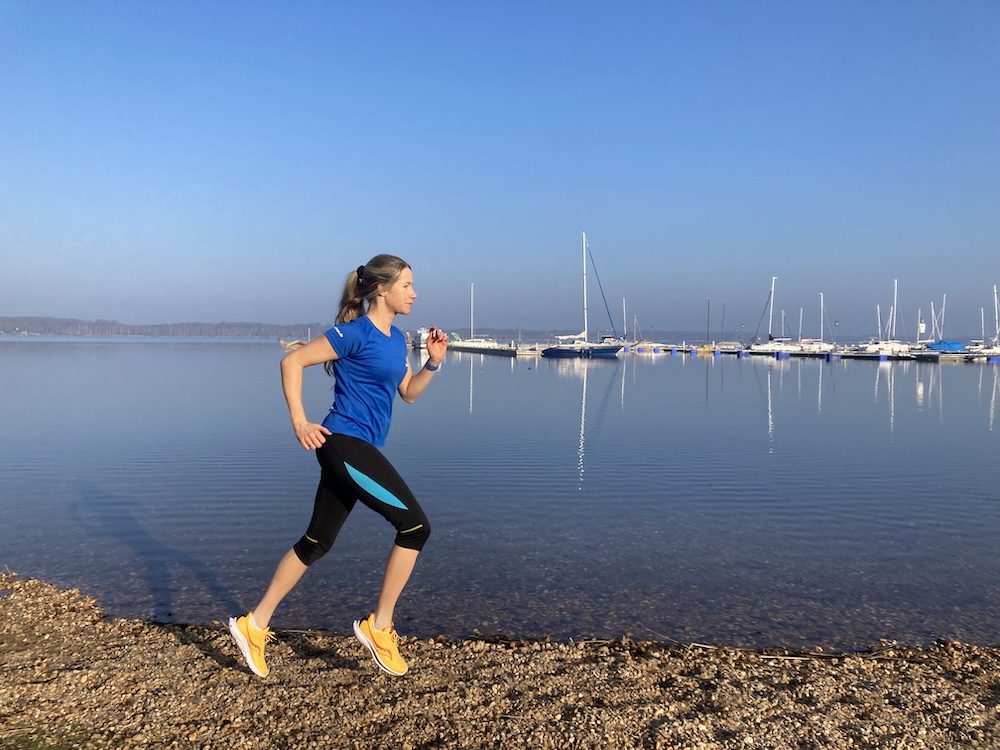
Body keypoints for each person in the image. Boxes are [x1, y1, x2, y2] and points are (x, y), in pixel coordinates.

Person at [229, 254, 448, 678]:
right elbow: (291, 362)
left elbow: (408, 393)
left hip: (355, 448)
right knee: (416, 527)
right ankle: (379, 626)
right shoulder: (353, 334)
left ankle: (253, 625)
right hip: (342, 444)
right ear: (382, 289)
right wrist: (299, 421)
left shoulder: (396, 338)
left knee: (316, 541)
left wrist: (433, 362)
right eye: (407, 285)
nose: (414, 293)